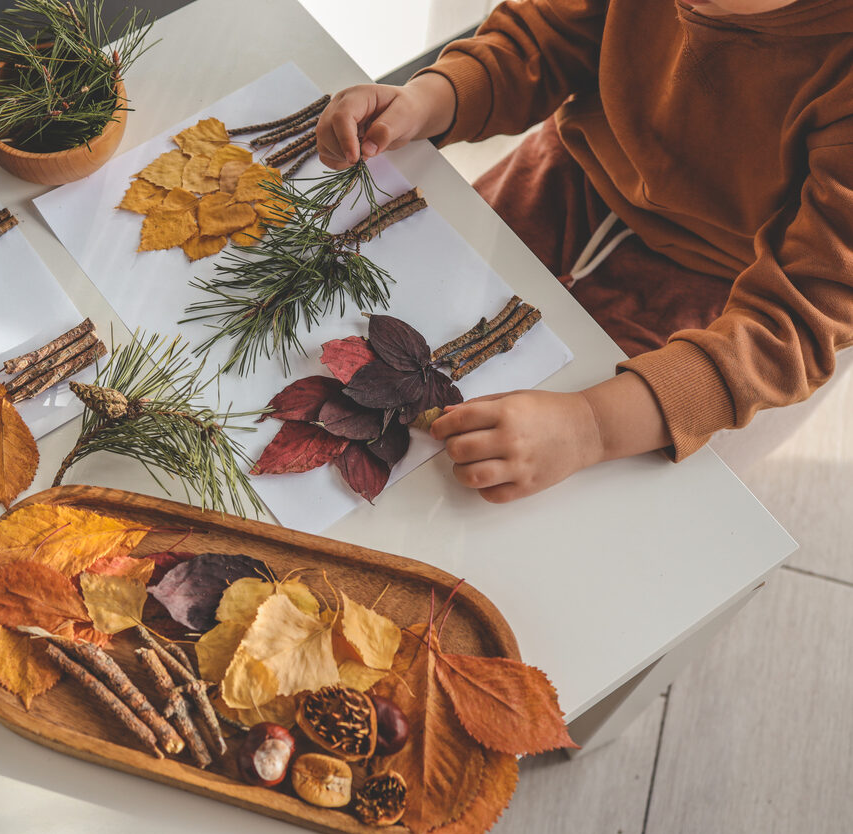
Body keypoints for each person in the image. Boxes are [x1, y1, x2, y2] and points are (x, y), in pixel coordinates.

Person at [316, 0, 853, 503]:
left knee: (536, 486)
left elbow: (799, 320)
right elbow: (542, 37)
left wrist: (589, 427)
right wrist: (428, 100)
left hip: (721, 285)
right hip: (566, 174)